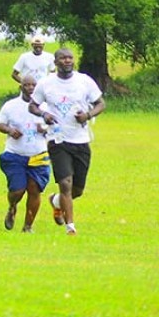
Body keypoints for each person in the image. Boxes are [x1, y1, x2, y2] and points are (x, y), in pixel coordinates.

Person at [28, 48, 106, 236]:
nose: (67, 61)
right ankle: (70, 226)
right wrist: (44, 114)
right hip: (57, 139)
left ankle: (55, 201)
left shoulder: (84, 81)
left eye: (70, 58)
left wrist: (87, 115)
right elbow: (33, 105)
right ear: (55, 62)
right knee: (66, 184)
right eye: (63, 58)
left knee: (77, 189)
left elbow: (101, 103)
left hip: (80, 140)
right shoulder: (46, 83)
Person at [0, 75, 50, 231]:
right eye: (27, 85)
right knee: (17, 190)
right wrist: (10, 130)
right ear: (21, 87)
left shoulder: (45, 107)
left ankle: (27, 226)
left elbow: (56, 127)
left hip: (38, 154)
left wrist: (45, 129)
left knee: (35, 190)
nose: (31, 88)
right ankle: (12, 207)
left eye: (34, 85)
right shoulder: (11, 106)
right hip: (15, 154)